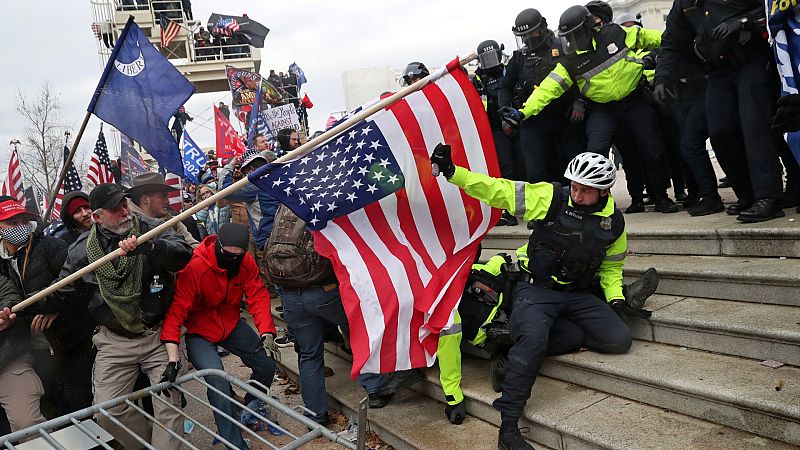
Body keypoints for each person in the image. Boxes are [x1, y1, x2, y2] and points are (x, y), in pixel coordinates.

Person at [430, 145, 633, 450]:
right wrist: (452, 172)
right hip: (534, 289)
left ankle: (511, 350)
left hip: (574, 294)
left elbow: (612, 268)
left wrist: (615, 299)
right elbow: (498, 190)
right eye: (574, 187)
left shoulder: (613, 224)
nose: (577, 196)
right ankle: (508, 427)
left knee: (618, 339)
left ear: (604, 191)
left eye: (586, 191)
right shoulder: (552, 198)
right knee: (535, 339)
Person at [502, 5, 679, 214]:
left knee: (652, 148)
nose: (572, 41)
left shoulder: (617, 34)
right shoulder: (570, 59)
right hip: (602, 109)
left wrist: (679, 45)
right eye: (568, 37)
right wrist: (523, 112)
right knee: (594, 153)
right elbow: (548, 88)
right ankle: (595, 203)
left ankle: (661, 197)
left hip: (634, 101)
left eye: (576, 35)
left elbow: (662, 39)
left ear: (589, 27)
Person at [54, 183, 193, 449]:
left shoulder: (151, 227)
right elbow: (62, 289)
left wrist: (152, 248)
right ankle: (145, 444)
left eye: (124, 204)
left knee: (168, 403)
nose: (124, 211)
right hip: (115, 339)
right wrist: (22, 309)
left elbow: (183, 254)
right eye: (114, 209)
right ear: (97, 217)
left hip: (158, 336)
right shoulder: (81, 251)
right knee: (107, 411)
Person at [655, 0, 785, 221]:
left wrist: (742, 22)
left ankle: (768, 197)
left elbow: (770, 8)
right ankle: (747, 195)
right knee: (720, 131)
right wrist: (661, 78)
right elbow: (671, 42)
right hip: (718, 72)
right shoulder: (684, 4)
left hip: (751, 62)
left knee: (754, 127)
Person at [161, 223, 277, 449]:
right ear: (219, 247)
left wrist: (266, 330)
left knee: (266, 364)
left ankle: (251, 405)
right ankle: (233, 441)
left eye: (239, 255)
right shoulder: (195, 268)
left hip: (232, 323)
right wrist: (173, 358)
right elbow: (176, 313)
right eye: (227, 254)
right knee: (218, 382)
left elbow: (257, 294)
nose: (233, 260)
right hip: (199, 331)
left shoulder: (245, 262)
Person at [0, 196, 94, 418]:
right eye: (12, 223)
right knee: (51, 402)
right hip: (30, 343)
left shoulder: (51, 246)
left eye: (23, 220)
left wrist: (54, 306)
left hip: (69, 335)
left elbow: (78, 281)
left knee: (78, 399)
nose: (20, 227)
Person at [499, 8, 586, 185]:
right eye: (523, 36)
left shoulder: (563, 48)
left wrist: (580, 101)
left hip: (565, 117)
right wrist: (505, 116)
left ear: (542, 28)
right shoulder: (518, 58)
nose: (527, 39)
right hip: (532, 121)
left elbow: (581, 77)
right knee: (535, 170)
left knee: (572, 165)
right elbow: (505, 88)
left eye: (531, 33)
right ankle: (543, 209)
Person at [474, 39, 521, 226]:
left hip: (519, 123)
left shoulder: (511, 70)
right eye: (485, 59)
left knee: (525, 166)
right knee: (505, 168)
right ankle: (508, 210)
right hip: (495, 129)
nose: (490, 62)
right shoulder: (478, 78)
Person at [0, 274, 45, 433]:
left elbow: (9, 299)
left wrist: (6, 315)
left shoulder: (1, 282)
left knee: (28, 425)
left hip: (7, 364)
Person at [127, 172, 200, 248]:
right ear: (146, 199)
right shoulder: (127, 225)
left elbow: (194, 247)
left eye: (167, 197)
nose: (168, 201)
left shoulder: (173, 222)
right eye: (163, 197)